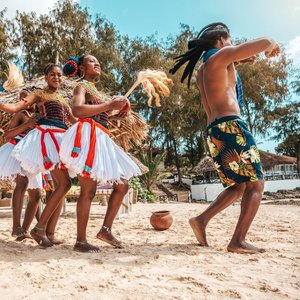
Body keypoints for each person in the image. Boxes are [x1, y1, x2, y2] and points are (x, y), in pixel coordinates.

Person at [170, 22, 280, 254]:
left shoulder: (204, 69)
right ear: (220, 41)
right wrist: (272, 44)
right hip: (231, 126)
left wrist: (240, 60)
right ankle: (237, 241)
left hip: (215, 131)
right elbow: (264, 42)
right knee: (257, 184)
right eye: (229, 41)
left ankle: (201, 220)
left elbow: (225, 71)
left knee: (238, 186)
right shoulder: (221, 56)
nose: (231, 45)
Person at [61, 55, 141, 252]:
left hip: (101, 138)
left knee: (122, 184)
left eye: (98, 61)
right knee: (88, 191)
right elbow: (78, 110)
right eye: (91, 61)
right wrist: (108, 106)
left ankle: (105, 229)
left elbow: (98, 114)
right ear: (81, 67)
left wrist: (116, 113)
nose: (97, 63)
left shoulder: (95, 90)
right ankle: (80, 241)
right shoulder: (82, 86)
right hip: (89, 137)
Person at [0, 64, 77, 247]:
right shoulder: (39, 94)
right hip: (47, 140)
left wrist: (109, 116)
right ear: (45, 77)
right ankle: (38, 229)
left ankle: (48, 231)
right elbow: (16, 107)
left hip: (61, 140)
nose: (57, 77)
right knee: (63, 184)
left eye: (59, 75)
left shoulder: (64, 100)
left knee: (61, 186)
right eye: (52, 74)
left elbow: (76, 120)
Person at [0, 88, 42, 240]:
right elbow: (7, 134)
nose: (25, 103)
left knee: (36, 194)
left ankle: (24, 230)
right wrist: (27, 125)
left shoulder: (40, 114)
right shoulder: (20, 115)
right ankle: (15, 227)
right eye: (21, 100)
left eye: (27, 99)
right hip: (17, 150)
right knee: (22, 183)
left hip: (33, 154)